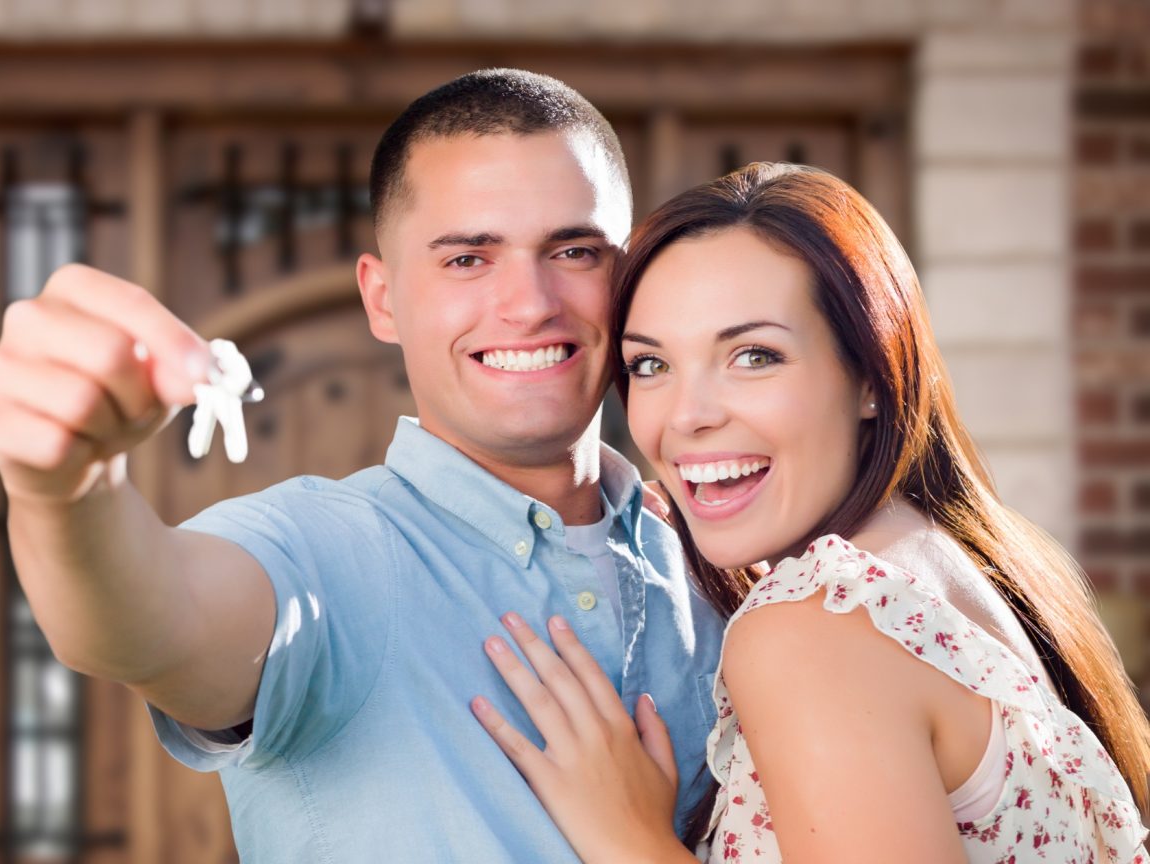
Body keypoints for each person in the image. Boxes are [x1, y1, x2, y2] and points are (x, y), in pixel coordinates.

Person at [0, 68, 724, 861]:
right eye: (468, 259)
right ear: (383, 298)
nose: (530, 303)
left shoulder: (716, 553)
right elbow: (148, 622)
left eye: (573, 250)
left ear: (630, 276)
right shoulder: (323, 549)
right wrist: (64, 492)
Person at [472, 162, 1150, 863]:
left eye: (755, 356)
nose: (687, 417)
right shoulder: (952, 561)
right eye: (650, 365)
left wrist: (630, 838)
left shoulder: (818, 626)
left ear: (871, 378)